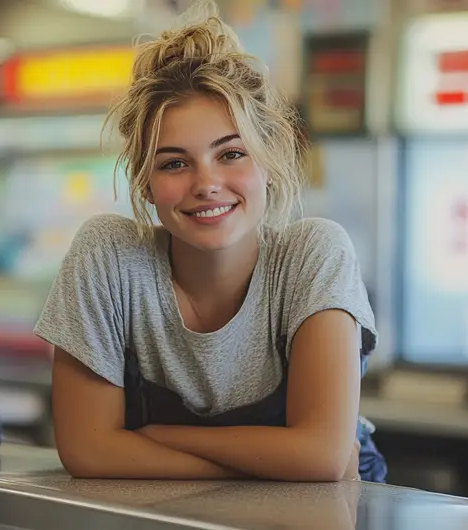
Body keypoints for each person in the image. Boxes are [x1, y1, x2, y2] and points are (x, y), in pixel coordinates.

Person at [34, 0, 387, 482]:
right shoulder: (109, 256)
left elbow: (322, 459)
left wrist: (154, 436)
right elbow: (87, 452)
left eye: (232, 154)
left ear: (268, 160)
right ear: (144, 183)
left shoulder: (313, 254)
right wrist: (282, 459)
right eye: (174, 163)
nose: (207, 183)